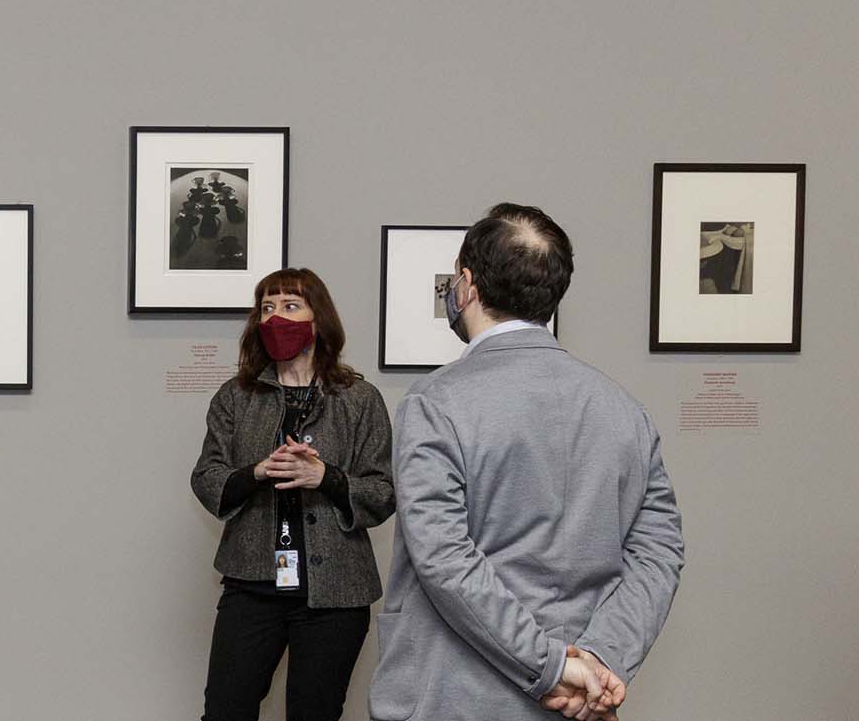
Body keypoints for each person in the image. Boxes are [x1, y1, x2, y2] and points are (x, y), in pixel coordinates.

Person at [369, 204, 685, 721]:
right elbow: (659, 554)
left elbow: (443, 557)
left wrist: (553, 667)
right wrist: (599, 661)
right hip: (576, 700)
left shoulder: (435, 402)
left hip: (450, 695)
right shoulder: (624, 409)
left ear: (466, 285)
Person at [191, 268, 396, 721]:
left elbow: (382, 493)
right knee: (225, 711)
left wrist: (326, 476)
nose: (276, 317)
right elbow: (206, 477)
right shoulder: (235, 397)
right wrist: (257, 471)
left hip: (336, 594)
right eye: (267, 307)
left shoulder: (360, 399)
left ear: (317, 318)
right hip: (252, 585)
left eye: (290, 306)